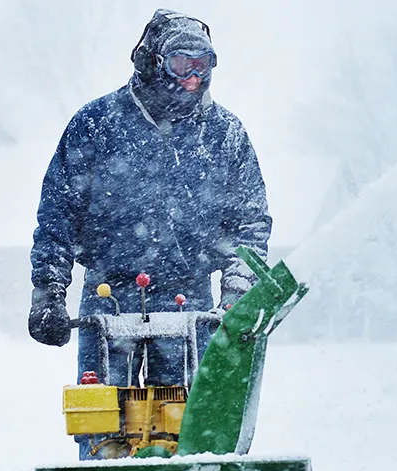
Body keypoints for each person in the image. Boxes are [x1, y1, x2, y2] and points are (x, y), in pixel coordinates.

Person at [27, 9, 272, 391]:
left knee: (187, 420)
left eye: (203, 65)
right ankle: (102, 451)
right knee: (102, 417)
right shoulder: (96, 124)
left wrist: (237, 291)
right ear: (152, 62)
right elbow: (59, 213)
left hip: (188, 298)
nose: (193, 79)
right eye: (181, 64)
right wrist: (48, 290)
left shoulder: (225, 135)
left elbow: (250, 223)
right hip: (109, 295)